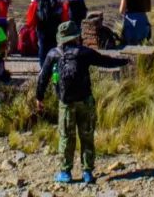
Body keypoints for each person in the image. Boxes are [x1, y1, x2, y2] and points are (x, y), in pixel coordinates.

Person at [36, 21, 129, 184]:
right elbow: (105, 61)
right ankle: (87, 172)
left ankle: (65, 172)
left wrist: (39, 97)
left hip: (66, 102)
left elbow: (43, 77)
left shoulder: (53, 54)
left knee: (66, 136)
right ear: (76, 36)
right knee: (87, 136)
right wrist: (124, 61)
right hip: (85, 100)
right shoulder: (84, 53)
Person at [31, 0, 66, 68]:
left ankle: (43, 68)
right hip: (55, 21)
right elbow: (62, 2)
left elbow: (33, 3)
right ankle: (54, 67)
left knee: (42, 45)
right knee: (54, 45)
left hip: (42, 21)